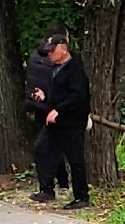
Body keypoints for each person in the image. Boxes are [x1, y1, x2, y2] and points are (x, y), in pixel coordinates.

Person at [36, 34, 91, 209]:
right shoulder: (55, 70)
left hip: (71, 122)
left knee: (75, 159)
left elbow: (78, 96)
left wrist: (58, 110)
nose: (49, 55)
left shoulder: (75, 69)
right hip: (54, 123)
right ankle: (47, 190)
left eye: (52, 51)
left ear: (63, 48)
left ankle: (82, 197)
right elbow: (59, 94)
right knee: (41, 149)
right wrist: (45, 98)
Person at [25, 24, 69, 201]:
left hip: (40, 108)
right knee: (46, 148)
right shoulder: (56, 60)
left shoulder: (36, 57)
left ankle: (58, 184)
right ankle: (50, 187)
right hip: (54, 109)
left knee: (50, 147)